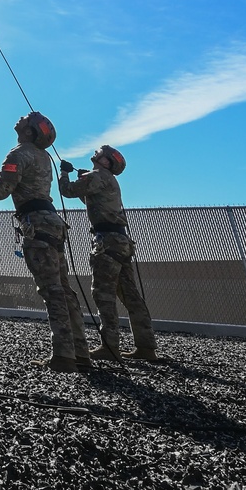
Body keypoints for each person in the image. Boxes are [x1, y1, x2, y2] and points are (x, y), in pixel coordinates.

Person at [0, 113, 92, 373]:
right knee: (64, 289)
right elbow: (20, 183)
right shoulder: (42, 157)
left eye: (26, 120)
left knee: (51, 290)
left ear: (29, 132)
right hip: (52, 222)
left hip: (36, 224)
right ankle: (80, 353)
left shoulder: (17, 154)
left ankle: (63, 356)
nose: (20, 119)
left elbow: (0, 190)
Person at [59, 147, 158, 362]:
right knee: (130, 295)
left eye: (101, 154)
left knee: (103, 293)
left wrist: (64, 173)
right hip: (121, 241)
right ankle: (146, 346)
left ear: (106, 161)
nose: (97, 154)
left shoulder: (97, 176)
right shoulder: (108, 180)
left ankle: (110, 346)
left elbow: (66, 191)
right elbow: (93, 201)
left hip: (106, 241)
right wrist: (83, 181)